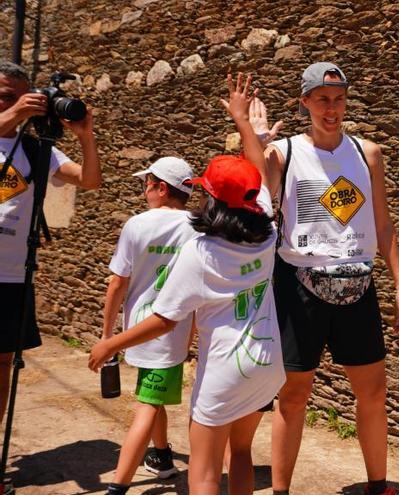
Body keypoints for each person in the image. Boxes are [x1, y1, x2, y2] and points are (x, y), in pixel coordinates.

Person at [89, 73, 285, 495]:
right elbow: (259, 174)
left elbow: (163, 321)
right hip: (268, 361)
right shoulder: (268, 229)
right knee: (243, 453)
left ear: (210, 199)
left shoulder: (201, 252)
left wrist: (110, 343)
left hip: (225, 370)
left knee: (206, 472)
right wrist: (245, 124)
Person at [249, 62, 399, 495]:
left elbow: (383, 221)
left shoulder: (366, 153)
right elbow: (257, 188)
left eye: (338, 99)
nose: (332, 108)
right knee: (295, 395)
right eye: (322, 99)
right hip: (298, 281)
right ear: (305, 102)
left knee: (373, 391)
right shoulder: (282, 152)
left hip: (357, 279)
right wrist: (255, 136)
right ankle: (281, 490)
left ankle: (379, 486)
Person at [0, 61, 100, 427]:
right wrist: (16, 111)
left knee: (3, 364)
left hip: (12, 275)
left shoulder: (36, 149)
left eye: (21, 95)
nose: (15, 102)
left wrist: (85, 136)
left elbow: (88, 180)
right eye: (5, 96)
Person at [100, 156, 198, 494]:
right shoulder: (197, 227)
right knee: (150, 395)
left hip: (139, 328)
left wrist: (108, 335)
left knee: (147, 402)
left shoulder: (136, 225)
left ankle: (119, 485)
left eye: (147, 183)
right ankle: (161, 458)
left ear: (160, 187)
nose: (144, 189)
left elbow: (117, 283)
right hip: (173, 329)